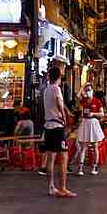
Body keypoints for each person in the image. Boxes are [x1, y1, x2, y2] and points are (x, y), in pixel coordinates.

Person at [44, 66, 76, 197]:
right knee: (63, 157)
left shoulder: (46, 90)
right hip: (57, 126)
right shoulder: (56, 89)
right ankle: (63, 187)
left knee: (50, 157)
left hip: (48, 125)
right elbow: (59, 104)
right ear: (59, 76)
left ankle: (51, 187)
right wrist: (64, 117)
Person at [75, 84, 105, 176]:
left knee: (95, 146)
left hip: (93, 123)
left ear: (93, 91)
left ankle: (95, 166)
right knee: (83, 147)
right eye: (87, 90)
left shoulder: (97, 101)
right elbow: (77, 96)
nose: (88, 91)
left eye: (90, 90)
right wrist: (82, 87)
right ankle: (80, 167)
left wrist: (93, 114)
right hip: (85, 123)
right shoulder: (84, 100)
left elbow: (102, 114)